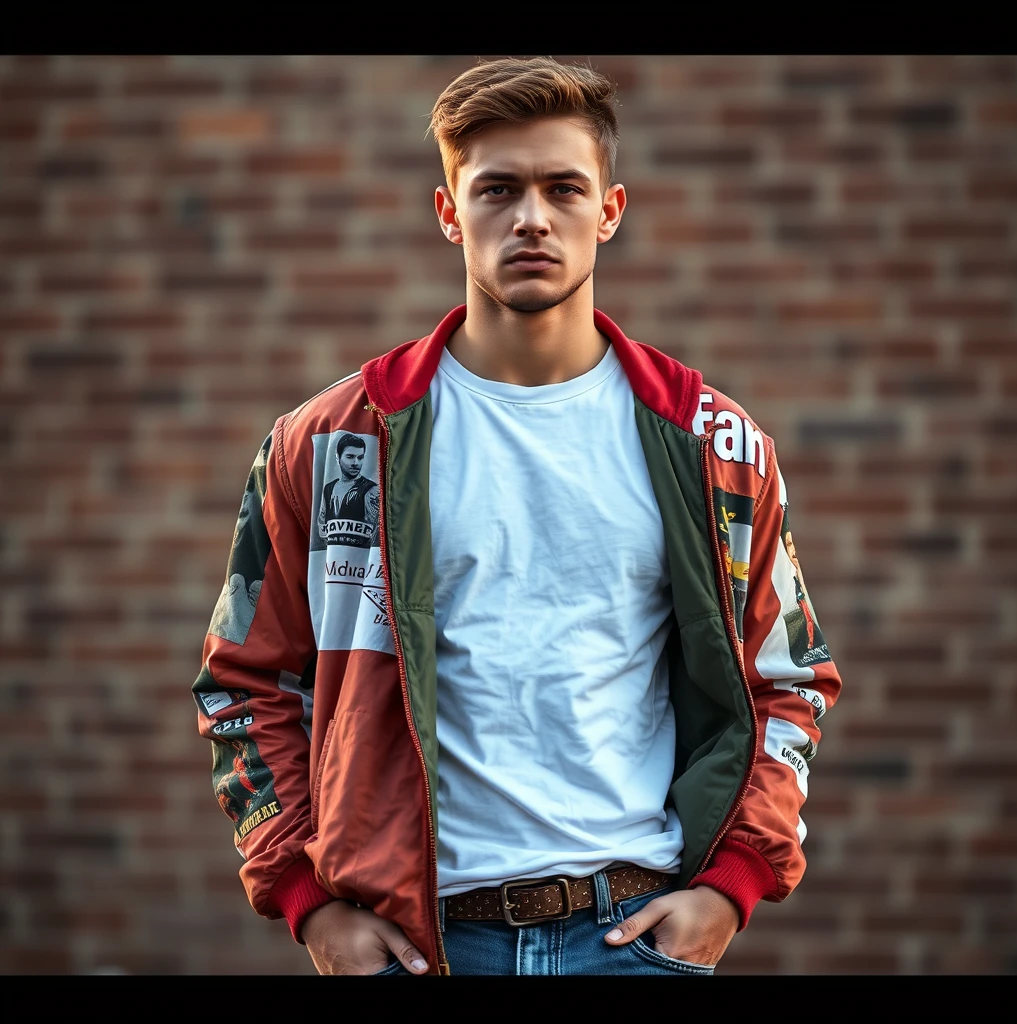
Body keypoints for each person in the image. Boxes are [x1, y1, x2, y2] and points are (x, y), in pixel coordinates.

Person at [193, 55, 842, 976]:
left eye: (563, 188)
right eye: (497, 189)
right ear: (449, 212)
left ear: (609, 211)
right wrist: (309, 903)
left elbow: (790, 682)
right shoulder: (335, 442)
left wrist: (732, 883)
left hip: (635, 934)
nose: (531, 217)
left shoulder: (712, 446)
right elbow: (243, 689)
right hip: (415, 944)